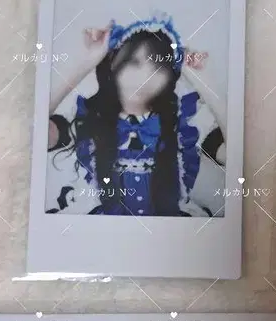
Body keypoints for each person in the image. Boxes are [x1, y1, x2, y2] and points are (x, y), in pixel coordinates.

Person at [45, 13, 225, 217]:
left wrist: (202, 79)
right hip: (101, 232)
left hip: (169, 233)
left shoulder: (185, 123)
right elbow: (35, 132)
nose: (145, 77)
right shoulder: (88, 120)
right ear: (113, 64)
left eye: (158, 67)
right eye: (135, 62)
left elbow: (237, 155)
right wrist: (88, 61)